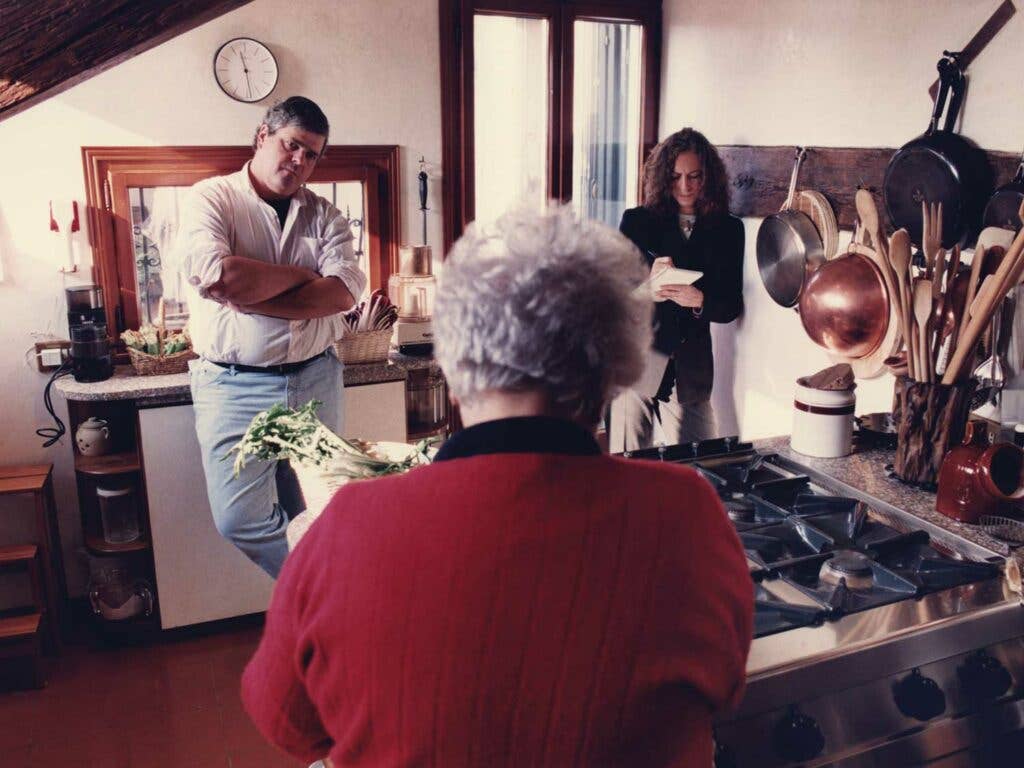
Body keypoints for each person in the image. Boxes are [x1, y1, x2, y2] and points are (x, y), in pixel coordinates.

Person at [241, 206, 752, 767]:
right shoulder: (686, 513)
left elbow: (285, 721)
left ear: (455, 372)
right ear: (614, 368)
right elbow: (724, 689)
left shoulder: (347, 524)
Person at [177, 96, 366, 578]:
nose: (300, 161)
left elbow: (343, 292)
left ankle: (317, 623)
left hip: (316, 380)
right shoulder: (211, 198)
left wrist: (257, 295)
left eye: (312, 154)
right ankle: (327, 593)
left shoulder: (324, 214)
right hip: (233, 386)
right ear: (263, 135)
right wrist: (306, 276)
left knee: (322, 510)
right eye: (292, 145)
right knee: (238, 518)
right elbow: (220, 277)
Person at [612, 127, 744, 451]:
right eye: (675, 177)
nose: (685, 186)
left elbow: (730, 305)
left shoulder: (728, 229)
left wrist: (700, 300)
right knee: (630, 469)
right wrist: (647, 290)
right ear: (663, 178)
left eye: (694, 177)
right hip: (638, 361)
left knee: (701, 466)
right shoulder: (637, 222)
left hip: (692, 367)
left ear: (708, 177)